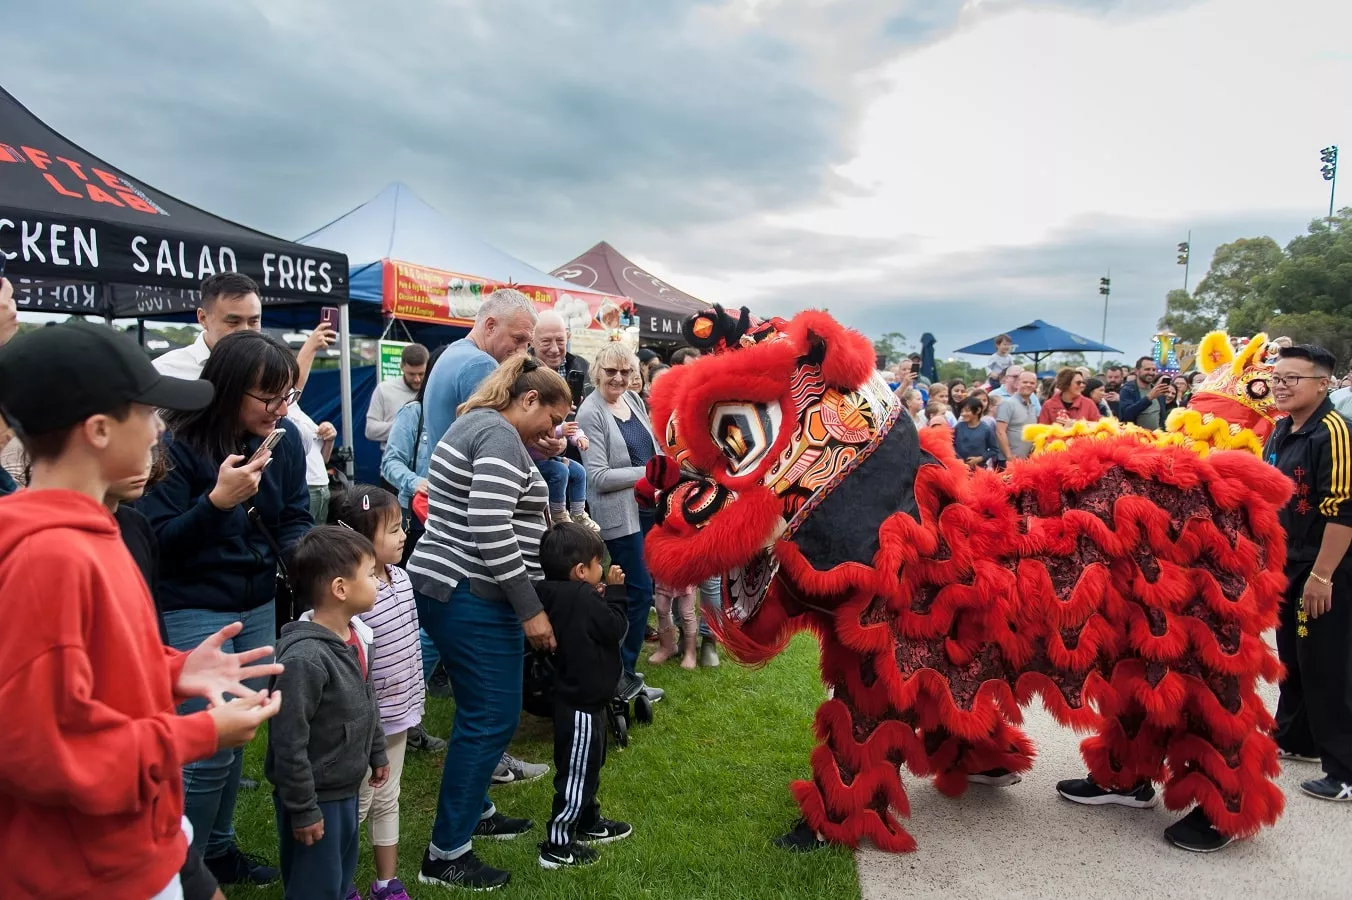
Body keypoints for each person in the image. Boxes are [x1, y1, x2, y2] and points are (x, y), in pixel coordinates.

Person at [0, 321, 281, 899]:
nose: (159, 428)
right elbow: (45, 754)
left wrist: (170, 672)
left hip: (139, 835)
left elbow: (84, 685)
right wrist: (198, 734)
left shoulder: (99, 530)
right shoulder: (49, 559)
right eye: (148, 411)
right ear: (99, 430)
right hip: (90, 869)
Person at [136, 330, 313, 885]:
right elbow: (158, 542)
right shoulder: (179, 444)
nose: (280, 409)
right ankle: (182, 868)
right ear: (230, 388)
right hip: (194, 607)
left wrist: (313, 571)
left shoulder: (281, 441)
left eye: (288, 396)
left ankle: (218, 848)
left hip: (258, 600)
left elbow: (293, 518)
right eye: (269, 397)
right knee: (207, 745)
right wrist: (217, 502)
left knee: (238, 736)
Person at [408, 355, 572, 890]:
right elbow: (489, 524)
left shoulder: (484, 426)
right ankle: (445, 853)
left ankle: (475, 811)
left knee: (477, 712)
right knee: (492, 718)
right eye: (550, 420)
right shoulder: (498, 435)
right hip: (470, 592)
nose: (552, 432)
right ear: (528, 400)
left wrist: (536, 454)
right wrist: (530, 609)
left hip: (454, 586)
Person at [267, 526, 389, 900]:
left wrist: (377, 750)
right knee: (313, 886)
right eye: (371, 575)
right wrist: (303, 810)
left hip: (344, 787)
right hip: (315, 797)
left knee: (336, 878)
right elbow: (287, 742)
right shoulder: (305, 659)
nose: (378, 583)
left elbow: (367, 701)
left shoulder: (354, 637)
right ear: (340, 588)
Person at [327, 487, 425, 900]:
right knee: (360, 804)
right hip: (366, 724)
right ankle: (338, 884)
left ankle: (387, 883)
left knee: (389, 798)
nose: (404, 535)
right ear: (361, 541)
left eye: (403, 525)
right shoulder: (354, 596)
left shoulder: (401, 577)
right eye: (393, 529)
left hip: (400, 712)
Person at [1266, 345, 1352, 809]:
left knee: (1328, 664)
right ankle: (1296, 737)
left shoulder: (1333, 432)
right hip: (1287, 561)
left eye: (1292, 378)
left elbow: (1344, 511)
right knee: (1292, 656)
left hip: (1325, 566)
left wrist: (1323, 575)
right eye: (1277, 377)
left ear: (1322, 383)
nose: (1281, 385)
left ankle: (1345, 770)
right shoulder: (1282, 429)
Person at [534, 523, 636, 869]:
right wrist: (619, 594)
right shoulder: (582, 596)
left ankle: (588, 820)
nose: (601, 570)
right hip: (581, 706)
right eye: (597, 564)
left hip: (581, 700)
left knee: (587, 766)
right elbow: (614, 629)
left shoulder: (555, 593)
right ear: (581, 571)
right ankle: (557, 844)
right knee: (577, 771)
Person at [577, 343, 667, 699]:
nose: (618, 378)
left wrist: (661, 469)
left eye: (625, 372)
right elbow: (597, 476)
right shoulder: (590, 413)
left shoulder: (632, 401)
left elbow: (653, 448)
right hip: (618, 516)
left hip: (646, 509)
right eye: (611, 371)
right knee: (639, 591)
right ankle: (622, 673)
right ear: (598, 371)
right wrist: (649, 472)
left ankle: (622, 669)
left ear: (634, 375)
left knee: (640, 591)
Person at [153, 272, 334, 383]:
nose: (245, 330)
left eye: (254, 321)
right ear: (203, 318)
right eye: (233, 322)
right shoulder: (166, 372)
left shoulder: (265, 366)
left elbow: (290, 404)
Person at [422, 288, 538, 452]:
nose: (523, 352)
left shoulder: (454, 352)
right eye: (518, 339)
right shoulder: (480, 364)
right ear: (490, 326)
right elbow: (498, 440)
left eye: (527, 344)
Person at [366, 343, 429, 449]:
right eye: (411, 374)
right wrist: (404, 426)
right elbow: (370, 430)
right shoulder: (384, 389)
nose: (417, 379)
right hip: (393, 461)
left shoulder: (433, 390)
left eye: (421, 374)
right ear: (401, 367)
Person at [289, 404, 337, 523]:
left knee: (318, 537)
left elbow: (322, 459)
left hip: (321, 486)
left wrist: (330, 439)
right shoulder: (283, 410)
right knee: (304, 537)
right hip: (306, 487)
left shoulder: (295, 409)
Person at [531, 309, 591, 387]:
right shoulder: (519, 371)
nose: (555, 349)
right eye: (546, 341)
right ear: (531, 341)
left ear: (567, 338)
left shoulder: (583, 366)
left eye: (560, 340)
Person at [995, 370, 1041, 462]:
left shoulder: (1032, 405)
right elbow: (1000, 432)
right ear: (1017, 384)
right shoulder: (1007, 403)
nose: (1028, 385)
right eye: (1025, 382)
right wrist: (1009, 457)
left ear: (1035, 386)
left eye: (1032, 383)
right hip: (1009, 462)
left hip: (1027, 462)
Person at [1117, 356, 1170, 430]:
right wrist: (1149, 398)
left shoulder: (1158, 390)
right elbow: (1126, 416)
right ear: (1137, 371)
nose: (1151, 373)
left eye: (1154, 370)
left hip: (1157, 438)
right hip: (1136, 438)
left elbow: (1162, 417)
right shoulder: (1128, 390)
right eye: (1147, 369)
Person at [952, 397, 1001, 469]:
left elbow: (994, 449)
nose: (963, 414)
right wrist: (958, 460)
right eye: (961, 411)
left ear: (978, 410)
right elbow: (951, 445)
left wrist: (980, 458)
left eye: (966, 411)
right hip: (959, 468)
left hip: (979, 469)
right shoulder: (959, 427)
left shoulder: (985, 429)